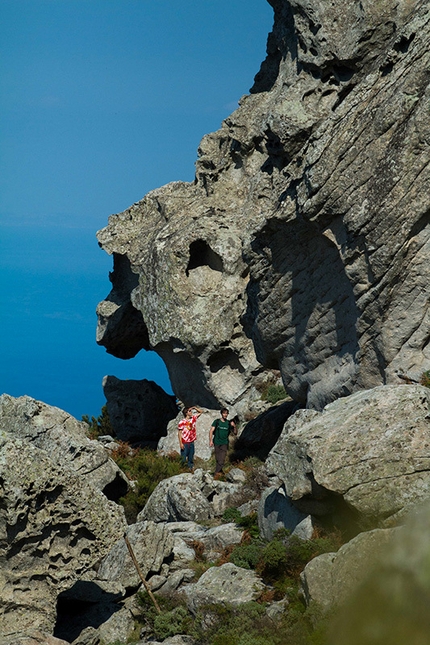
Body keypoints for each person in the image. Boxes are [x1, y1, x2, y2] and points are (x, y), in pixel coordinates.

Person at [209, 408, 236, 478]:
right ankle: (219, 472)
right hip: (217, 442)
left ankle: (216, 474)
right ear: (221, 414)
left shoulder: (228, 423)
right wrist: (210, 440)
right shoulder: (217, 421)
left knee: (222, 460)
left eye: (226, 413)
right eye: (224, 413)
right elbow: (211, 431)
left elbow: (235, 433)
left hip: (224, 443)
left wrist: (234, 426)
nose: (225, 415)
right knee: (218, 459)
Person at [178, 405, 202, 471]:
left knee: (191, 457)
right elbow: (179, 433)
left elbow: (201, 412)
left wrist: (194, 408)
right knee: (183, 457)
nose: (191, 412)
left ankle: (190, 469)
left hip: (191, 442)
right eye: (189, 411)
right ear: (186, 413)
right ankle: (181, 469)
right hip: (185, 442)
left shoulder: (193, 419)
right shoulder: (181, 422)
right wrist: (181, 443)